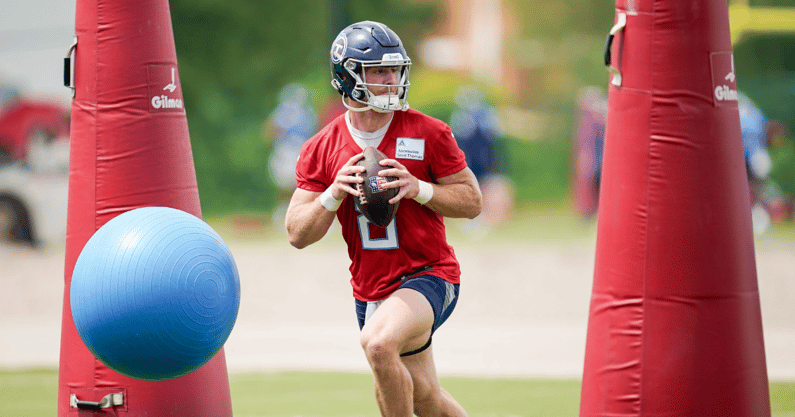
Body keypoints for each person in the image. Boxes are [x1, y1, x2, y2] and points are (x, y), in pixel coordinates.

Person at [285, 21, 480, 416]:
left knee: (378, 345)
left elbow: (472, 201)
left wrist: (419, 188)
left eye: (394, 69)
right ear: (348, 76)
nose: (391, 79)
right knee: (424, 394)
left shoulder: (430, 132)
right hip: (371, 286)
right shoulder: (322, 148)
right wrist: (333, 192)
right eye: (377, 71)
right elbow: (297, 234)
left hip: (429, 272)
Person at [449, 85, 513, 227]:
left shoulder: (488, 115)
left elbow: (493, 143)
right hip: (470, 163)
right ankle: (473, 218)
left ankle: (490, 217)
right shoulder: (460, 118)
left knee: (488, 189)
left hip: (485, 163)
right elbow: (459, 144)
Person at [263, 82, 318, 228]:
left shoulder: (285, 112)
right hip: (297, 152)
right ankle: (292, 214)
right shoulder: (308, 113)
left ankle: (284, 214)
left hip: (288, 152)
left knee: (287, 186)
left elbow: (269, 132)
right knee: (299, 185)